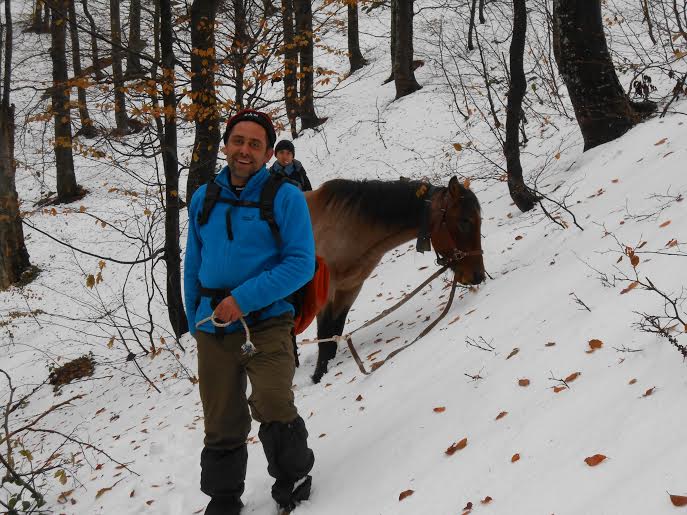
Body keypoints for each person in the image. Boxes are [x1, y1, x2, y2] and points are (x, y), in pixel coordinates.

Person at [184, 109, 316, 515]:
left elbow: (300, 264)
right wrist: (194, 318)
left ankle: (292, 476)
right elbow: (193, 262)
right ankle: (224, 498)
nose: (245, 151)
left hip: (266, 319)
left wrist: (242, 299)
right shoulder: (203, 198)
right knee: (221, 416)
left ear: (266, 152)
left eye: (255, 144)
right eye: (238, 141)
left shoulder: (285, 196)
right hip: (212, 325)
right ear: (225, 145)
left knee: (274, 400)